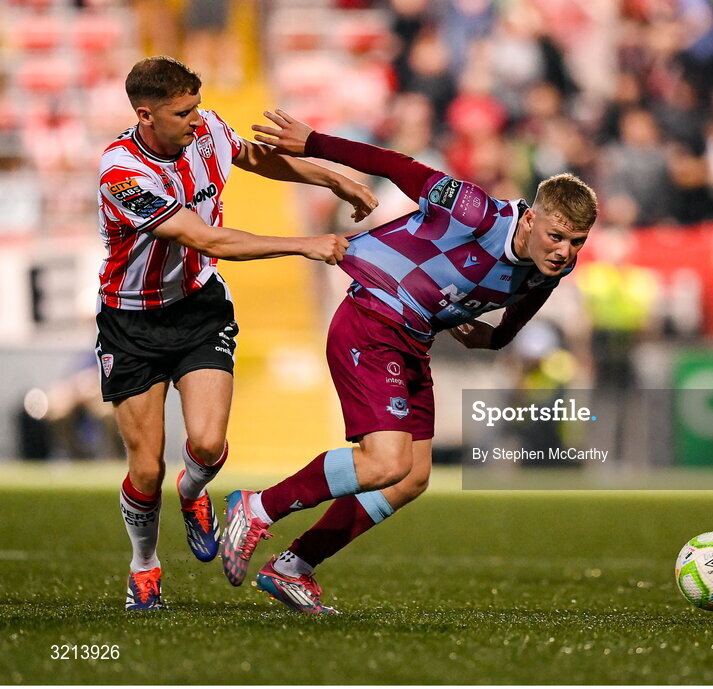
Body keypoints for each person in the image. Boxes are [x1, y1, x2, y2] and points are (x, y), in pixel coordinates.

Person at [219, 109, 598, 613]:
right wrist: (313, 141)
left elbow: (506, 330)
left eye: (576, 242)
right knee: (386, 462)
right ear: (531, 219)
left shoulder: (548, 273)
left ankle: (293, 567)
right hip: (373, 317)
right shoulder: (478, 212)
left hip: (411, 341)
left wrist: (483, 337)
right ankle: (257, 507)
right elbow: (395, 164)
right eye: (556, 236)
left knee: (411, 478)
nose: (564, 251)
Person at [97, 57, 377, 610]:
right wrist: (304, 242)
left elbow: (257, 159)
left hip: (200, 308)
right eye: (183, 112)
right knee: (146, 466)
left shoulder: (205, 131)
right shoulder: (122, 173)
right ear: (145, 115)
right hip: (131, 321)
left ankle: (193, 493)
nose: (197, 120)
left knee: (206, 443)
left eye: (198, 106)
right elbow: (210, 240)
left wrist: (336, 178)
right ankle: (144, 566)